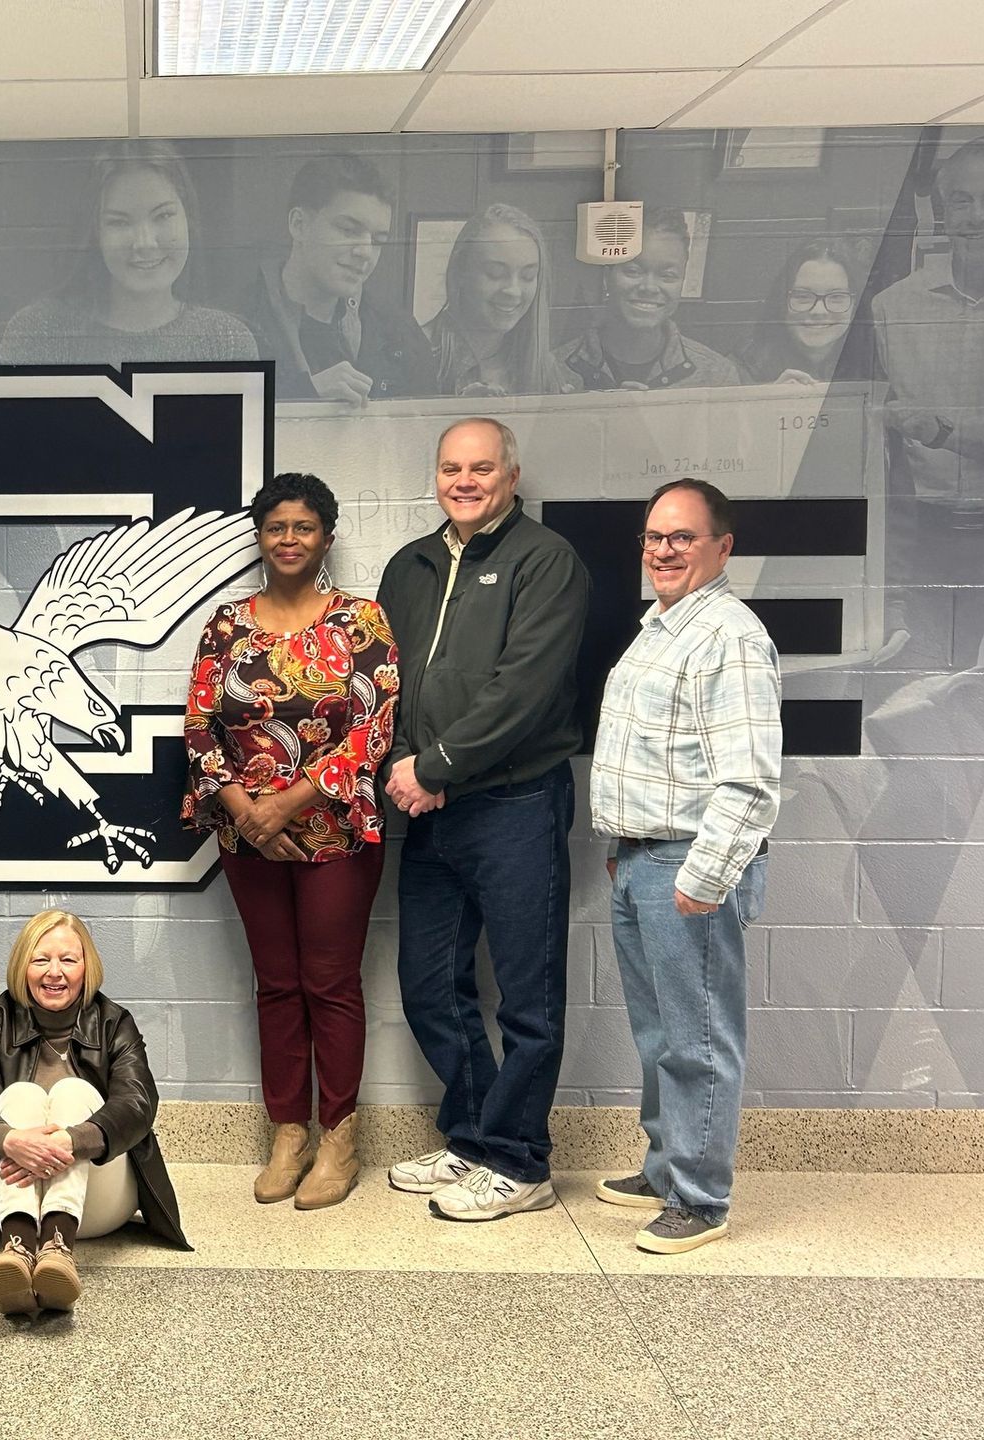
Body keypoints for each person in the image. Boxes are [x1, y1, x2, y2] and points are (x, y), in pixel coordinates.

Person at [376, 418, 590, 1221]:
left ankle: (520, 1160)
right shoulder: (411, 564)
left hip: (514, 802)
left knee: (528, 997)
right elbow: (385, 681)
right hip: (428, 809)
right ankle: (470, 1138)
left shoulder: (546, 560)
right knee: (431, 986)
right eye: (450, 468)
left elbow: (524, 688)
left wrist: (434, 768)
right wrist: (404, 767)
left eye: (481, 468)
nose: (464, 481)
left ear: (511, 473)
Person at [182, 472, 399, 1209]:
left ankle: (338, 1137)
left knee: (330, 985)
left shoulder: (361, 622)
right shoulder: (225, 626)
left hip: (335, 832)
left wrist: (289, 806)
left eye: (304, 527)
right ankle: (288, 1133)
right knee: (276, 985)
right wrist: (249, 813)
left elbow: (373, 728)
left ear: (327, 537)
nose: (289, 539)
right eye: (276, 527)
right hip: (249, 841)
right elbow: (199, 729)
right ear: (260, 537)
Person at [590, 478, 780, 1255]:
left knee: (698, 1038)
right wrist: (622, 848)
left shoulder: (728, 636)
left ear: (722, 547)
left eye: (682, 538)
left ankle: (700, 1200)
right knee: (660, 1034)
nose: (662, 551)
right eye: (653, 537)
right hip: (642, 860)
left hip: (687, 867)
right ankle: (670, 1166)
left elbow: (750, 781)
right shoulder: (662, 626)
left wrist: (702, 878)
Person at [0, 909, 188, 1315]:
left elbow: (138, 1103)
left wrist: (69, 1141)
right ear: (22, 966)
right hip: (11, 1198)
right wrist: (13, 1141)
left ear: (86, 967)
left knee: (74, 1091)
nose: (54, 973)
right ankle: (18, 1251)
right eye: (41, 960)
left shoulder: (114, 1022)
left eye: (68, 960)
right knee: (20, 1095)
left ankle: (58, 1249)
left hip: (98, 1201)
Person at [871, 134, 984, 660]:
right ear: (941, 213)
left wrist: (944, 431)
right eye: (961, 201)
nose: (977, 216)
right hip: (921, 540)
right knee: (916, 690)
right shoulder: (892, 307)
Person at [0, 141, 257, 366]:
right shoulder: (36, 334)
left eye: (163, 215)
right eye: (120, 222)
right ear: (95, 232)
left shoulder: (226, 341)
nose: (145, 243)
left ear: (188, 216)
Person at [238, 154, 438, 404]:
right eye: (348, 230)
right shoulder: (232, 324)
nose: (365, 252)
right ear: (299, 224)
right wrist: (304, 393)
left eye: (378, 241)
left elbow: (421, 433)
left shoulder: (402, 331)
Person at [555, 209, 742, 392]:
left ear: (682, 281)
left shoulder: (716, 377)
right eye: (633, 271)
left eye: (667, 275)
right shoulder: (555, 370)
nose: (649, 287)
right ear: (606, 276)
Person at [426, 204, 576, 397]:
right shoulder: (417, 350)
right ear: (459, 272)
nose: (513, 291)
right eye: (495, 274)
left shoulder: (546, 368)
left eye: (528, 276)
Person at [735, 239, 870, 387]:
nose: (819, 311)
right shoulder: (740, 370)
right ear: (782, 301)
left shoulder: (877, 363)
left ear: (856, 305)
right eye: (803, 296)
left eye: (836, 297)